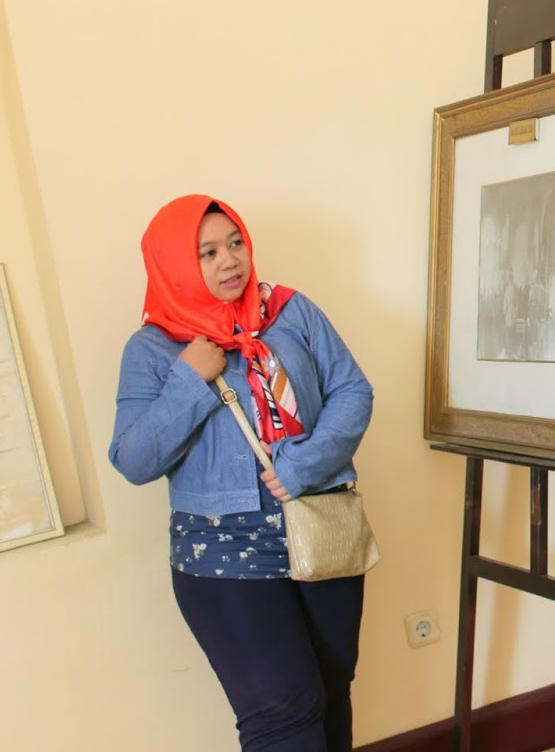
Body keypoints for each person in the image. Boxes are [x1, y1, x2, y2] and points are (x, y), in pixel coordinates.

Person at [109, 196, 374, 752]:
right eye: (206, 252)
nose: (229, 261)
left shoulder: (290, 311)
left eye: (234, 243)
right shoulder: (154, 349)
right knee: (285, 711)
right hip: (222, 552)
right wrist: (190, 380)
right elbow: (133, 459)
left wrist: (303, 464)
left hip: (320, 526)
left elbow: (352, 390)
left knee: (331, 689)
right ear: (175, 265)